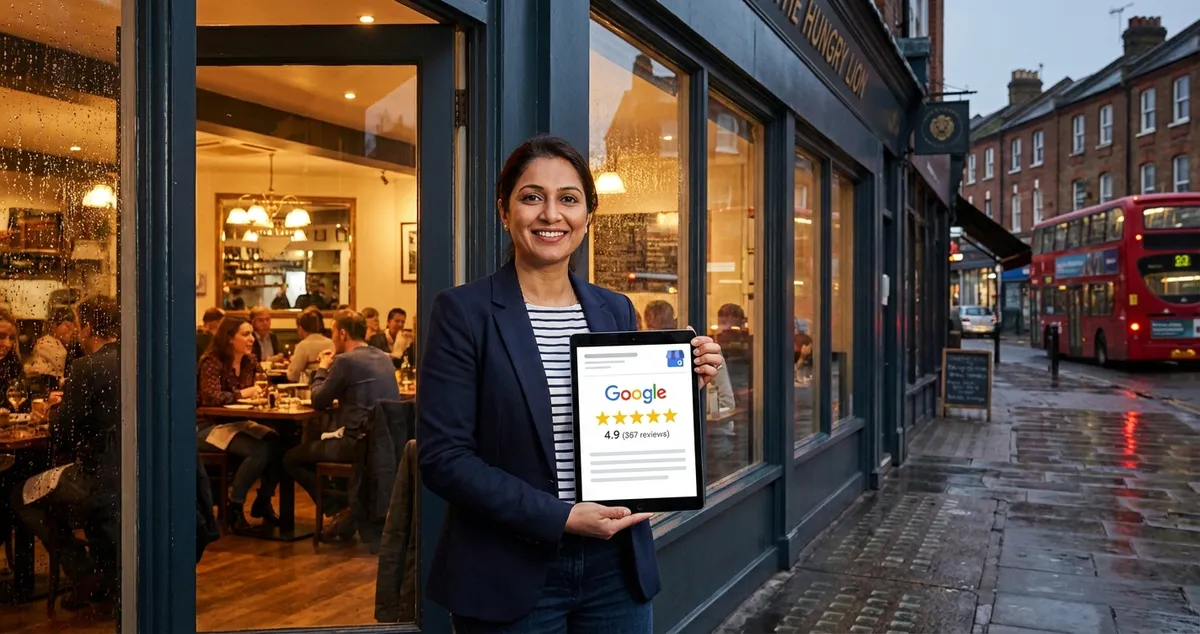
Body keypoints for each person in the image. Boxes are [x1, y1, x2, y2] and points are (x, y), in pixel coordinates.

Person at [417, 135, 725, 633]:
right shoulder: (463, 312)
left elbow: (624, 419)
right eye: (532, 196)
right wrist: (560, 517)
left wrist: (681, 381)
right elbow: (443, 459)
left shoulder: (614, 308)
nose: (550, 214)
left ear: (588, 216)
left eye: (568, 199)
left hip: (615, 569)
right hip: (507, 571)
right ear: (505, 209)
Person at [12, 296, 121, 612]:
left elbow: (63, 431)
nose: (77, 334)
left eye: (79, 326)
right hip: (127, 470)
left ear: (88, 328)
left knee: (21, 495)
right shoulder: (137, 357)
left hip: (95, 476)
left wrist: (54, 409)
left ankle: (84, 573)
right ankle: (101, 573)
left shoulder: (86, 366)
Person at [283, 309, 401, 540]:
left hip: (357, 443)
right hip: (384, 442)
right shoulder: (382, 357)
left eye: (333, 331)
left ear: (343, 333)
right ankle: (347, 507)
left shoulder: (345, 361)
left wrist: (323, 366)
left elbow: (318, 400)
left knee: (290, 458)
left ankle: (339, 508)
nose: (332, 336)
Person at [196, 317, 283, 533]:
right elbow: (210, 397)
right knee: (259, 450)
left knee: (279, 442)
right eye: (245, 334)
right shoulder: (212, 361)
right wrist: (243, 393)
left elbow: (267, 386)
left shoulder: (249, 360)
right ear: (229, 338)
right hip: (207, 426)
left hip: (238, 424)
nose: (251, 339)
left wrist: (270, 394)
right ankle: (235, 507)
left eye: (252, 334)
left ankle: (263, 500)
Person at [26, 306, 77, 380]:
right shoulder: (47, 343)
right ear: (52, 326)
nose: (74, 329)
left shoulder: (74, 348)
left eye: (76, 325)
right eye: (68, 326)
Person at [286, 308, 334, 383]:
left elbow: (293, 375)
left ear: (300, 328)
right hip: (330, 387)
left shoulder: (303, 345)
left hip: (310, 388)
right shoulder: (331, 343)